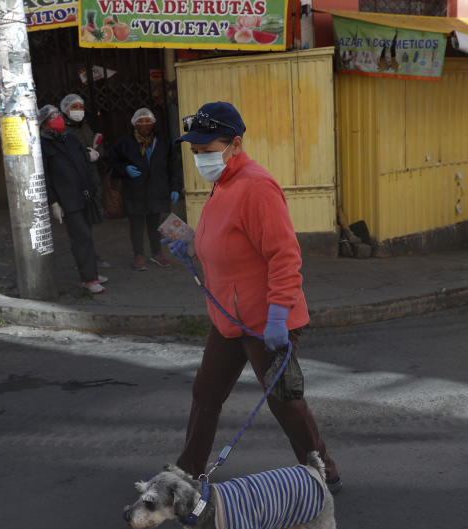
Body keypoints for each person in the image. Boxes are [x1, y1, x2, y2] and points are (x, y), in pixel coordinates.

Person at [170, 101, 343, 493]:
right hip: (229, 318)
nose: (200, 158)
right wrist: (192, 245)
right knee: (205, 393)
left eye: (207, 150)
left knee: (284, 402)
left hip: (266, 320)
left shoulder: (256, 186)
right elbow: (229, 240)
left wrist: (280, 315)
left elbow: (284, 255)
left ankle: (322, 470)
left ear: (235, 143)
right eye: (195, 152)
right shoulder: (223, 182)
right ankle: (187, 472)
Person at [37, 104, 108, 293]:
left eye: (58, 114)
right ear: (44, 125)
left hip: (85, 195)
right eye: (52, 116)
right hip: (67, 200)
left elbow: (83, 165)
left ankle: (90, 271)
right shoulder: (43, 146)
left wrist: (93, 188)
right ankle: (88, 279)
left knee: (87, 235)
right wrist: (53, 202)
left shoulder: (71, 139)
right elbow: (46, 176)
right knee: (81, 236)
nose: (58, 117)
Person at [106, 107, 182, 271]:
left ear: (154, 123)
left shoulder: (162, 141)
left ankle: (157, 253)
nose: (145, 124)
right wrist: (124, 169)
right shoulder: (124, 142)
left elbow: (173, 166)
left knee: (155, 223)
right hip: (134, 191)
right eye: (140, 121)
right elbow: (111, 162)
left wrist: (175, 187)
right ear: (134, 124)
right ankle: (138, 255)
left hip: (157, 189)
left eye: (148, 121)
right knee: (136, 225)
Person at [60, 93, 108, 268]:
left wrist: (97, 153)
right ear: (65, 110)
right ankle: (84, 260)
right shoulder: (63, 130)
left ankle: (91, 255)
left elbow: (97, 146)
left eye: (80, 107)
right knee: (79, 226)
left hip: (91, 178)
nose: (78, 110)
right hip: (75, 182)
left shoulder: (85, 126)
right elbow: (66, 155)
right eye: (74, 107)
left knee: (89, 221)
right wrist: (85, 157)